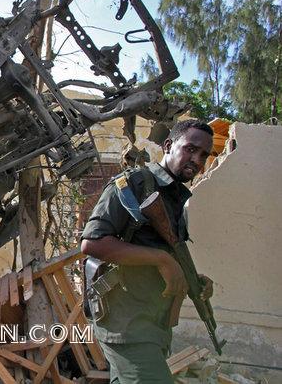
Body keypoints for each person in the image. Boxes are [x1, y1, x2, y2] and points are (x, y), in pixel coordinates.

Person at [81, 119, 215, 383]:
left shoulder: (176, 198)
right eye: (190, 149)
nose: (196, 159)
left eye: (203, 155)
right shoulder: (134, 184)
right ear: (168, 145)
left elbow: (166, 251)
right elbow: (92, 243)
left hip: (153, 324)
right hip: (126, 322)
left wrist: (194, 281)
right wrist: (161, 259)